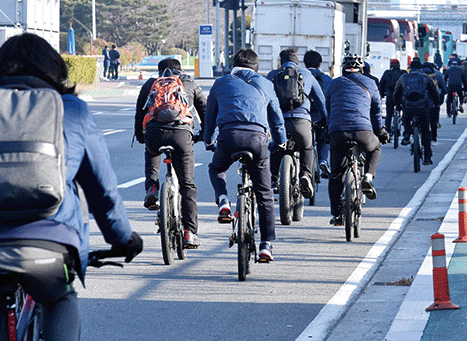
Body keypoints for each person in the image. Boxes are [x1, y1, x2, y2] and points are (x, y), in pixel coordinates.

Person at [0, 33, 142, 341]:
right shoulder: (74, 111)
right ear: (55, 70)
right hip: (49, 246)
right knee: (58, 298)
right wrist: (123, 240)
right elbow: (102, 192)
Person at [203, 48, 286, 262]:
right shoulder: (267, 84)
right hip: (258, 140)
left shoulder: (221, 83)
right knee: (265, 193)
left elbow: (210, 116)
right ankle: (266, 245)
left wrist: (208, 139)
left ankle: (223, 201)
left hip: (229, 136)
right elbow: (276, 118)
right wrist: (281, 141)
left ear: (233, 65)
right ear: (255, 67)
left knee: (217, 168)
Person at [134, 57, 206, 248]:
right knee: (187, 185)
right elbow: (204, 109)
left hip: (155, 133)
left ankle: (152, 188)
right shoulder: (189, 83)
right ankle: (190, 233)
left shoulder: (151, 84)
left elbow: (139, 112)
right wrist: (204, 135)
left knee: (152, 152)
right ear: (180, 70)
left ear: (160, 72)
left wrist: (141, 136)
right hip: (182, 135)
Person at [324, 54, 388, 226]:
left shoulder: (333, 83)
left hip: (338, 131)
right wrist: (380, 130)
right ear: (362, 69)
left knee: (336, 174)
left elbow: (329, 109)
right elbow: (376, 111)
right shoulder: (370, 83)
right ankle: (367, 176)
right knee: (375, 148)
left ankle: (337, 214)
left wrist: (329, 129)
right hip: (363, 131)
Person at [266, 49, 327, 199]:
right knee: (307, 147)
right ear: (297, 61)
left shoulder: (272, 75)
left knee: (276, 147)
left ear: (280, 61)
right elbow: (320, 101)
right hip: (301, 121)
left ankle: (273, 179)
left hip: (279, 122)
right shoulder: (307, 75)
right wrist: (325, 119)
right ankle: (306, 174)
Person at [395, 58, 441, 164]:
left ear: (410, 68)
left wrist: (398, 105)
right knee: (426, 132)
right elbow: (434, 92)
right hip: (422, 107)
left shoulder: (404, 77)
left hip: (408, 106)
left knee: (406, 119)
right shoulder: (425, 77)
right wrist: (436, 103)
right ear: (421, 68)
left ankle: (406, 135)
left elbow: (397, 92)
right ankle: (427, 157)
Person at [304, 49, 332, 178]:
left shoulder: (301, 76)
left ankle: (303, 167)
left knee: (304, 144)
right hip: (320, 116)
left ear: (304, 63)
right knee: (323, 139)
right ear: (320, 64)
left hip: (303, 117)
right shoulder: (327, 79)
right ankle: (323, 160)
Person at [378, 58, 407, 133]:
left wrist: (381, 95)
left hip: (390, 95)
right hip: (400, 96)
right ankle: (403, 125)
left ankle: (387, 131)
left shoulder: (387, 73)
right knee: (404, 111)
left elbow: (381, 85)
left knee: (389, 115)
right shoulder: (403, 73)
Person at [422, 61, 446, 142]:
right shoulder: (437, 74)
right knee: (433, 120)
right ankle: (433, 137)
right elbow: (442, 86)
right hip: (432, 100)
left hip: (420, 101)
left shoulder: (419, 74)